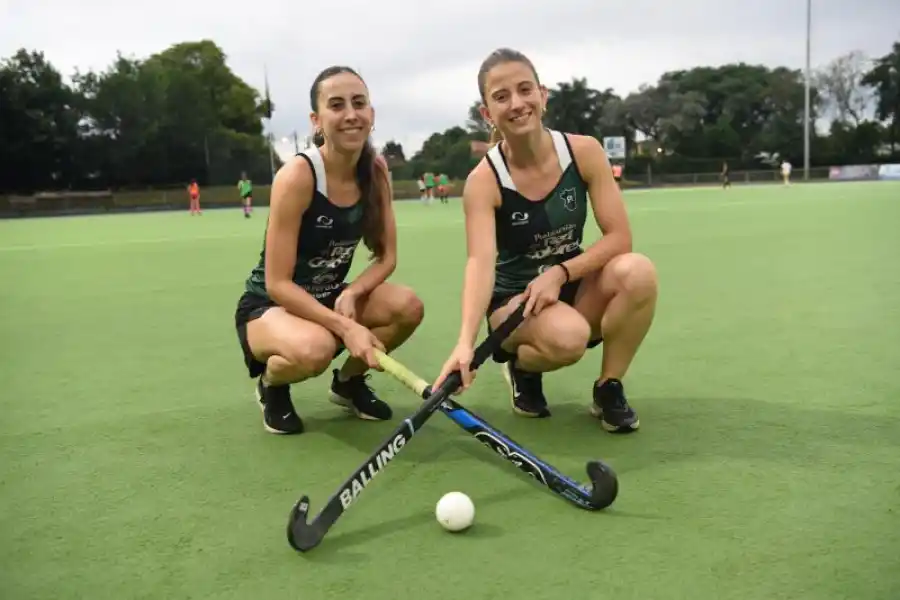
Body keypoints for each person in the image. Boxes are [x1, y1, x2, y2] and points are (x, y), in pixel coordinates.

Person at [433, 48, 659, 433]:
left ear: (543, 95)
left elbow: (620, 237)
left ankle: (609, 387)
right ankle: (521, 367)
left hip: (568, 283)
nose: (517, 104)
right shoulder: (483, 182)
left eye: (525, 90)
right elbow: (480, 264)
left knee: (638, 272)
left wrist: (560, 273)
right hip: (514, 303)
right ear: (487, 113)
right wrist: (465, 343)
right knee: (568, 339)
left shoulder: (583, 151)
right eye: (501, 97)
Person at [234, 65, 426, 435]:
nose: (351, 114)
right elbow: (277, 283)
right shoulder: (298, 175)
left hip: (331, 296)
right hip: (270, 307)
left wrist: (353, 292)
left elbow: (387, 258)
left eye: (359, 103)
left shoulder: (377, 170)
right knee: (315, 349)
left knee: (407, 307)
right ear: (316, 120)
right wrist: (345, 326)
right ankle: (272, 387)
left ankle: (348, 384)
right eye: (336, 105)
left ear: (371, 114)